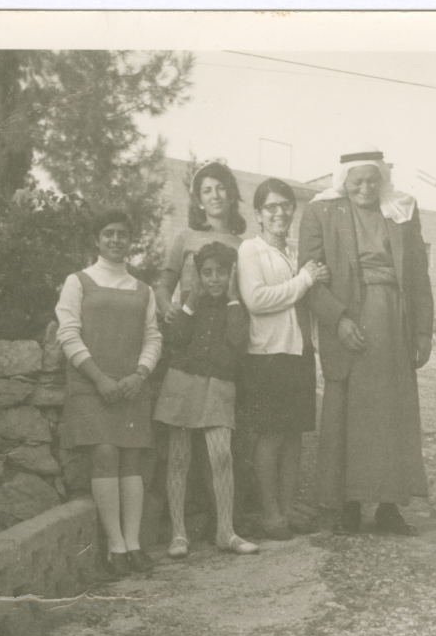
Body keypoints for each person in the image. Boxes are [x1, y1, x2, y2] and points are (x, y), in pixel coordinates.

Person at [298, 145, 434, 536]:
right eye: (357, 181)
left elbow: (419, 276)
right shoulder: (321, 211)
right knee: (348, 416)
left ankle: (389, 507)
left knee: (392, 415)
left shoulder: (402, 211)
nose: (365, 188)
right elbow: (310, 274)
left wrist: (422, 330)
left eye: (372, 180)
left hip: (395, 319)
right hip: (349, 319)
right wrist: (338, 319)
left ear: (383, 178)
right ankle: (348, 506)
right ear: (344, 180)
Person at [56, 209, 162, 579]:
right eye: (108, 233)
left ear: (130, 241)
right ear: (97, 239)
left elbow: (153, 337)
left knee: (132, 458)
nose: (116, 239)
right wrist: (99, 379)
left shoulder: (143, 289)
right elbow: (68, 334)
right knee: (105, 452)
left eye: (122, 234)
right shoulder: (78, 281)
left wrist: (140, 374)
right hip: (91, 388)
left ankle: (134, 545)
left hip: (131, 388)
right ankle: (116, 546)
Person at [237, 178, 330, 540]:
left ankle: (288, 511)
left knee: (294, 437)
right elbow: (256, 299)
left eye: (285, 206)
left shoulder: (294, 253)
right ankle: (270, 514)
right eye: (270, 207)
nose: (279, 213)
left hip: (299, 353)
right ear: (258, 215)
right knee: (271, 436)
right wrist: (305, 279)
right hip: (267, 354)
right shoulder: (251, 250)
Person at [154, 242, 259, 558]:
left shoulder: (234, 307)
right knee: (179, 458)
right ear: (198, 276)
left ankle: (225, 532)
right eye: (207, 273)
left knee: (222, 456)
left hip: (219, 386)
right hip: (183, 383)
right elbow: (175, 338)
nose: (214, 279)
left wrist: (232, 300)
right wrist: (190, 299)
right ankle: (179, 534)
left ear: (231, 275)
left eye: (221, 273)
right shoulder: (191, 304)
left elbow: (239, 341)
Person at [155, 160, 247, 322]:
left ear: (232, 195)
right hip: (189, 328)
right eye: (207, 191)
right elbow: (163, 289)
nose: (215, 196)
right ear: (199, 201)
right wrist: (169, 309)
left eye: (221, 188)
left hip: (228, 330)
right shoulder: (184, 237)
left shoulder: (244, 246)